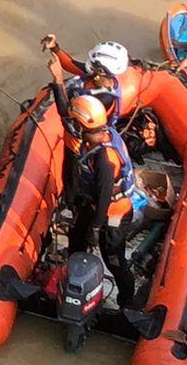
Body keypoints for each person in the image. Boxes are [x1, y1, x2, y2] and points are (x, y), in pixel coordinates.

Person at [50, 56, 147, 311]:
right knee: (75, 241)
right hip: (93, 206)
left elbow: (105, 193)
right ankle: (69, 285)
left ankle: (128, 303)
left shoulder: (105, 158)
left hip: (112, 213)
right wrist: (57, 81)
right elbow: (66, 117)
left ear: (86, 126)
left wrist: (96, 226)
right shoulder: (100, 134)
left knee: (113, 257)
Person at [42, 34, 133, 120]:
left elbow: (66, 113)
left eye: (92, 64)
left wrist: (58, 79)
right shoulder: (97, 76)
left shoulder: (103, 99)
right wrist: (54, 47)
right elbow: (71, 64)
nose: (89, 64)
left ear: (101, 71)